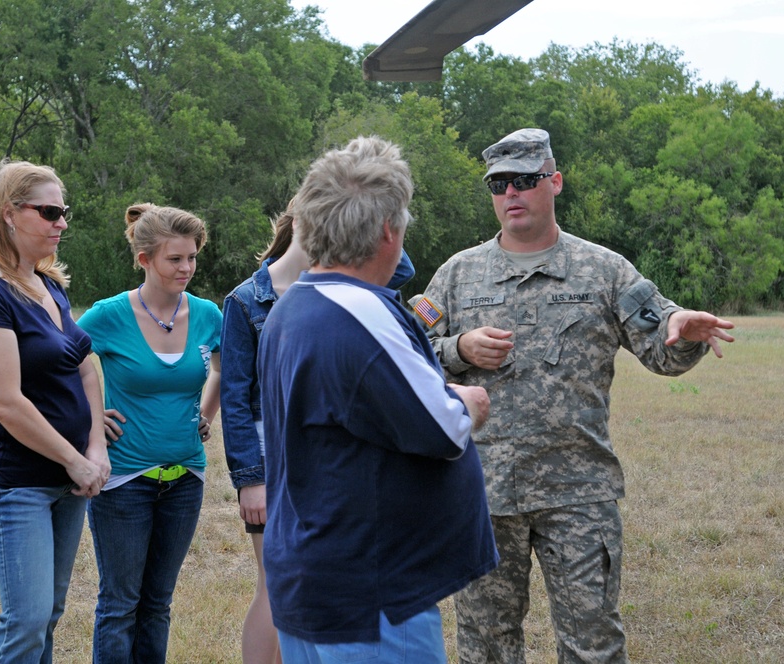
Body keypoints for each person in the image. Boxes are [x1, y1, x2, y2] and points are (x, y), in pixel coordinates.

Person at [416, 128, 737, 663]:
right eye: (499, 184)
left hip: (578, 493)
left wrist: (684, 331)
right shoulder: (457, 274)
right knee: (486, 646)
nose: (511, 194)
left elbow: (662, 346)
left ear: (555, 182)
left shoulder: (604, 271)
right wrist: (459, 347)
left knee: (592, 644)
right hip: (483, 493)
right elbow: (407, 354)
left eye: (524, 180)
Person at [256, 135, 499, 663]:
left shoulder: (292, 305)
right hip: (370, 593)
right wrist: (467, 399)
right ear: (390, 230)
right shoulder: (359, 314)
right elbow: (443, 428)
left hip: (315, 577)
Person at [220, 202, 415, 664]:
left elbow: (400, 264)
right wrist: (250, 479)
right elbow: (233, 398)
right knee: (276, 583)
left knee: (320, 576)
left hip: (326, 448)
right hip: (270, 452)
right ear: (304, 221)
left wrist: (370, 207)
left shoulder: (341, 285)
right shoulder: (246, 300)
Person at [0, 159, 111, 663]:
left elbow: (85, 364)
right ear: (9, 214)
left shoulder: (49, 285)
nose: (61, 221)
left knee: (47, 614)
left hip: (69, 479)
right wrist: (75, 458)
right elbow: (4, 402)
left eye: (63, 211)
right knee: (24, 622)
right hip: (16, 483)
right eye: (48, 211)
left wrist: (95, 443)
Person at [76, 203, 221, 664]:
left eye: (192, 257)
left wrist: (206, 413)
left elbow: (224, 369)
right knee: (120, 606)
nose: (187, 268)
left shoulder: (208, 314)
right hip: (123, 481)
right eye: (174, 259)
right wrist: (91, 417)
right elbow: (61, 366)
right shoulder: (108, 315)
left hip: (186, 479)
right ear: (144, 259)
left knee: (158, 605)